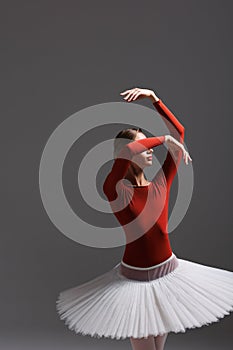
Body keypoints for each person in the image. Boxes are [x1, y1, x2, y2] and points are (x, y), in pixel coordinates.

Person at [56, 87, 233, 350]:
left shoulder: (160, 183)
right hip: (134, 282)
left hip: (168, 276)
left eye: (148, 143)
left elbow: (180, 133)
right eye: (144, 145)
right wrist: (162, 139)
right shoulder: (115, 190)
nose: (149, 150)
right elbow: (128, 149)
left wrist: (155, 99)